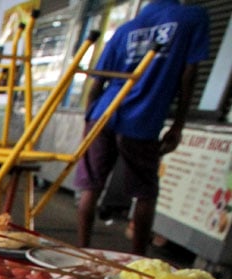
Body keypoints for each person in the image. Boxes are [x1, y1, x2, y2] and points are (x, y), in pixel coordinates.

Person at [75, 0, 209, 255]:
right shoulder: (191, 18)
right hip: (143, 116)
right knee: (145, 191)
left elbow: (96, 84)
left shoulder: (127, 28)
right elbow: (189, 74)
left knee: (91, 187)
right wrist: (178, 125)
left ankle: (82, 252)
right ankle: (138, 259)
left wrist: (88, 124)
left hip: (103, 112)